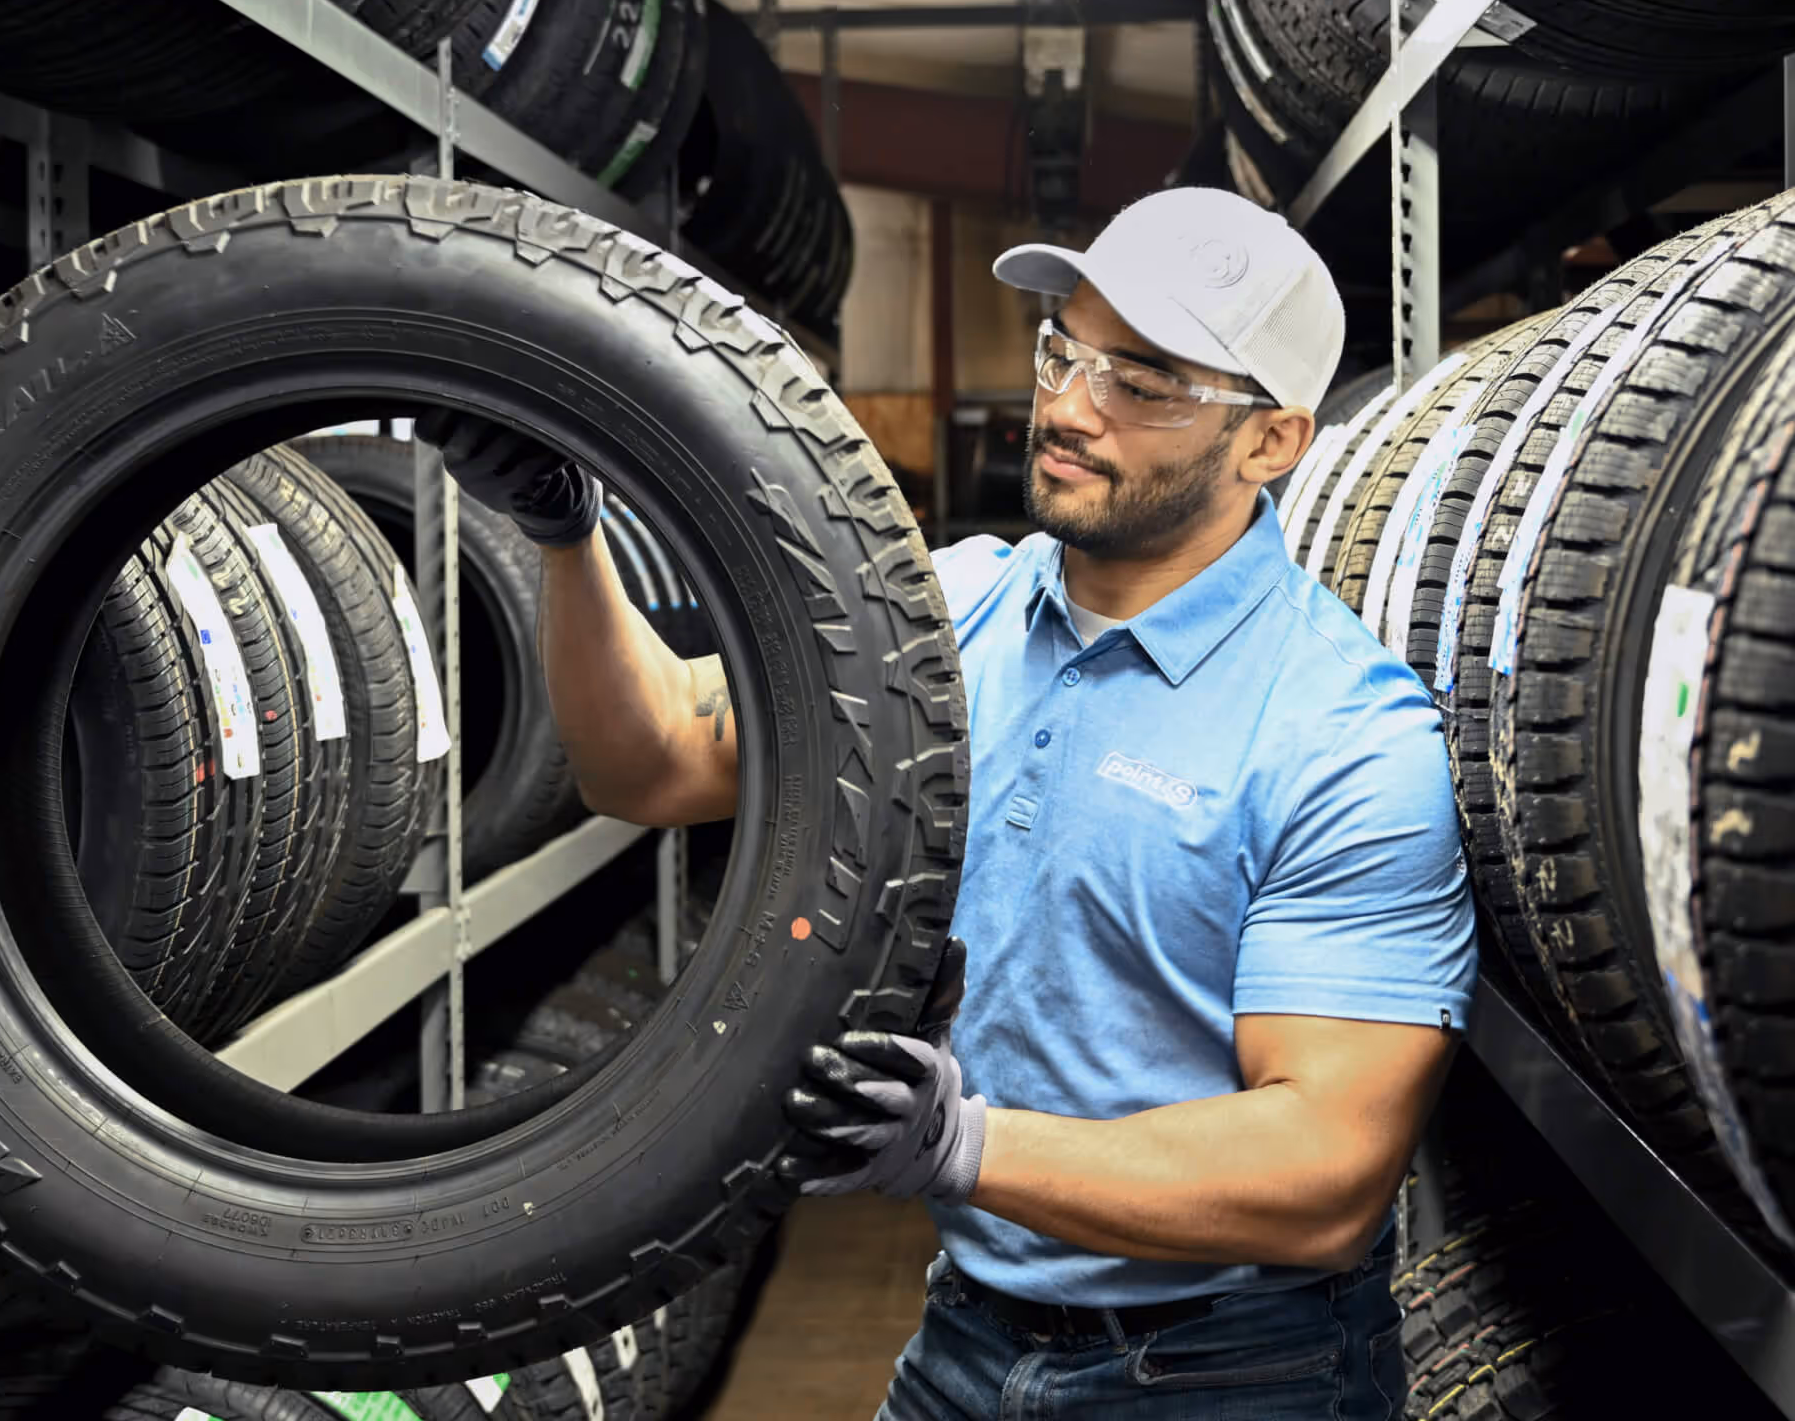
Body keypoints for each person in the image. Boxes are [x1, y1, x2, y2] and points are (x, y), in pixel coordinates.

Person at [421, 186, 1474, 1418]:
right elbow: (648, 760)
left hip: (1231, 1369)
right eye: (1062, 349)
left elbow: (1325, 1170)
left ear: (1271, 442)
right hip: (972, 1330)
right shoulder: (952, 613)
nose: (1069, 406)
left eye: (1141, 382)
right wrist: (564, 535)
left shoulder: (1343, 735)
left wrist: (967, 1147)